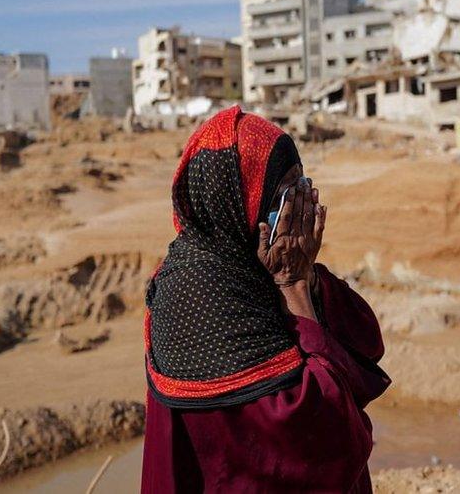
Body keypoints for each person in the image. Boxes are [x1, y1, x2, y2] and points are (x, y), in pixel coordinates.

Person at [141, 106, 390, 493]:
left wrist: (303, 277)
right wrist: (292, 288)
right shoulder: (195, 296)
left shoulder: (258, 265)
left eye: (303, 186)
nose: (298, 208)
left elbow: (365, 341)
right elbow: (331, 439)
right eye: (285, 196)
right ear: (237, 202)